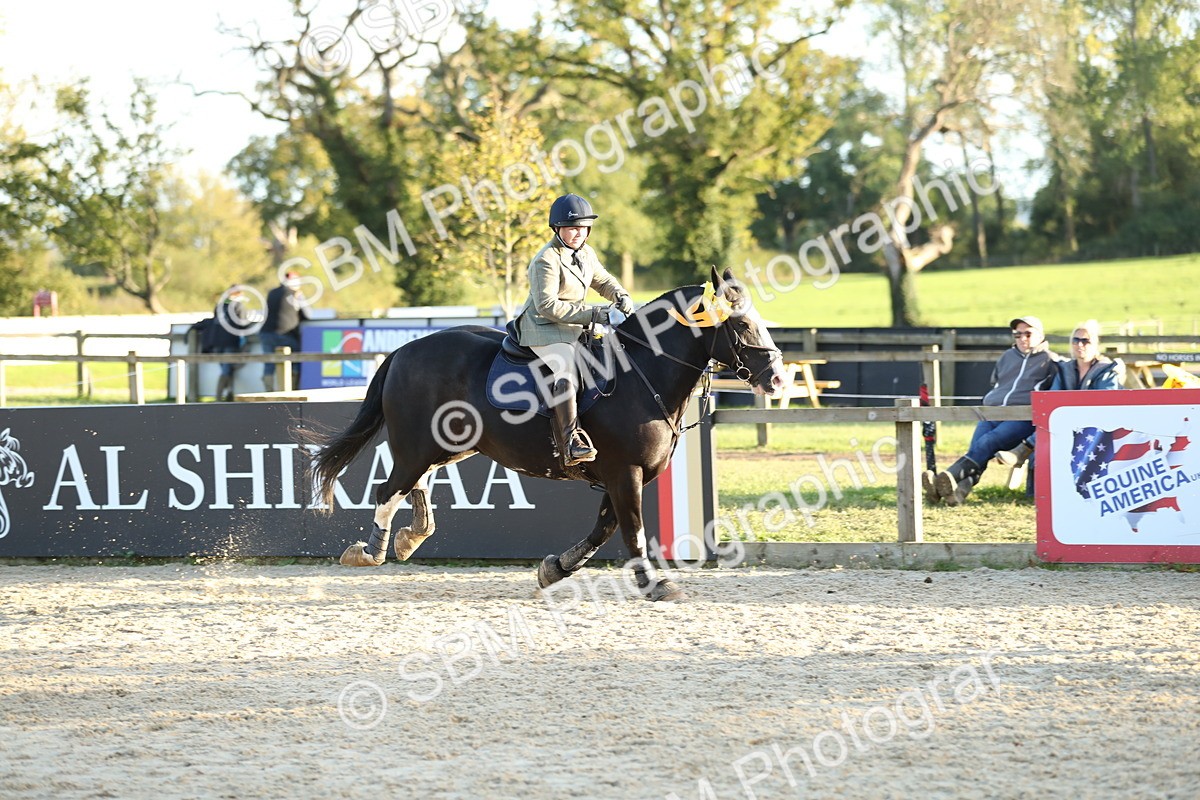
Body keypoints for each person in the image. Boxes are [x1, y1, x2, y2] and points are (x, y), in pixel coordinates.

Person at [513, 193, 635, 467]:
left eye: (582, 227)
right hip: (543, 328)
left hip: (573, 325)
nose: (578, 232)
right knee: (565, 367)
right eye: (571, 228)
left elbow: (602, 280)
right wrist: (596, 313)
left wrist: (620, 295)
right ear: (558, 229)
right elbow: (546, 306)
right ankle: (571, 441)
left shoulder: (586, 253)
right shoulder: (546, 259)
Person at [925, 315, 1061, 506]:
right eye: (1018, 334)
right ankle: (957, 493)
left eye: (1028, 334)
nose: (1022, 338)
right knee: (976, 448)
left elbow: (1055, 392)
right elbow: (996, 382)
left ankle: (946, 479)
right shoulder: (1007, 357)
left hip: (1021, 418)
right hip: (992, 413)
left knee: (986, 443)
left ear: (1041, 335)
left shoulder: (1051, 361)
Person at [995, 319, 1124, 473]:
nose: (1080, 345)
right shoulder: (1065, 369)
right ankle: (1034, 486)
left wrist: (1071, 410)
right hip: (1065, 424)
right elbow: (1052, 399)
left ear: (1095, 344)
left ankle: (1024, 449)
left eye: (1085, 341)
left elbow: (1105, 403)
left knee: (1059, 421)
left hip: (1096, 424)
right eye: (1076, 340)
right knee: (1050, 419)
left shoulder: (1106, 371)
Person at [261, 269, 311, 391]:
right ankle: (290, 393)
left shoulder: (272, 292)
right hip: (286, 333)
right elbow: (308, 314)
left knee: (269, 364)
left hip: (267, 333)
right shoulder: (296, 294)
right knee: (293, 362)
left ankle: (269, 394)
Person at [209, 286, 255, 401]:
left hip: (217, 342)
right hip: (230, 341)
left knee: (226, 368)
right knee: (226, 369)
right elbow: (243, 323)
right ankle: (219, 397)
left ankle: (229, 392)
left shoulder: (219, 306)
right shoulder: (238, 306)